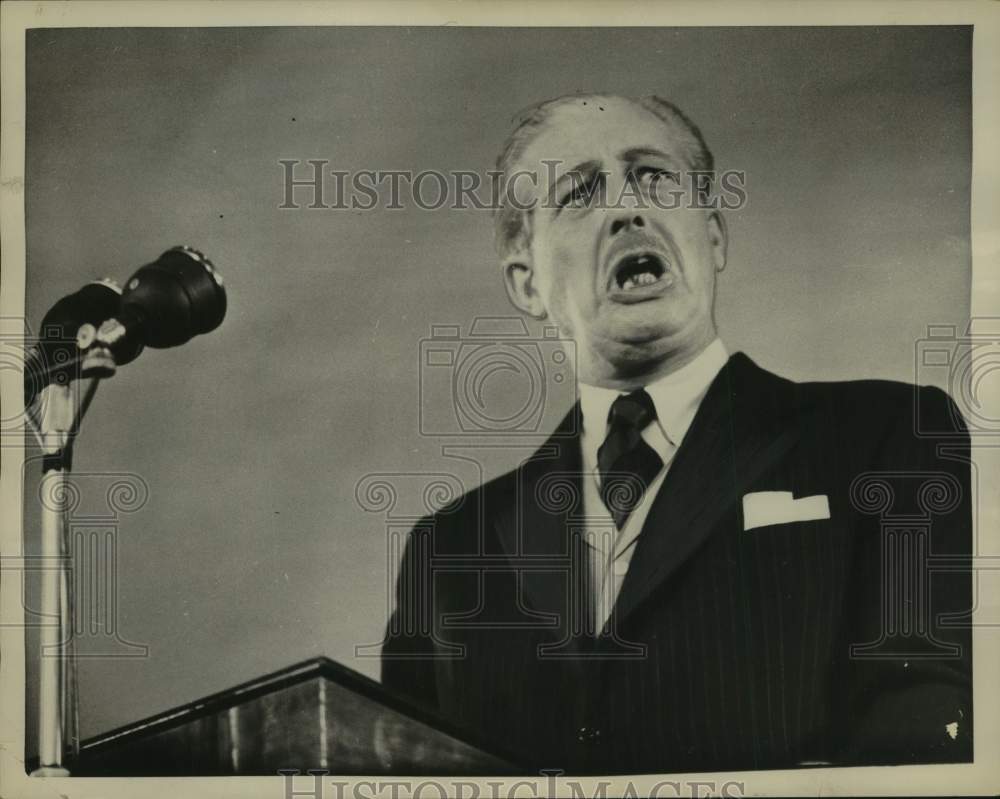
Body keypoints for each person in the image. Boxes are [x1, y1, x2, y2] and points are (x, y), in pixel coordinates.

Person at [380, 93, 972, 774]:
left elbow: (924, 729)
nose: (627, 209)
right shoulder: (449, 550)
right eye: (578, 193)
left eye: (655, 177)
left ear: (713, 236)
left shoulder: (886, 437)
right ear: (527, 283)